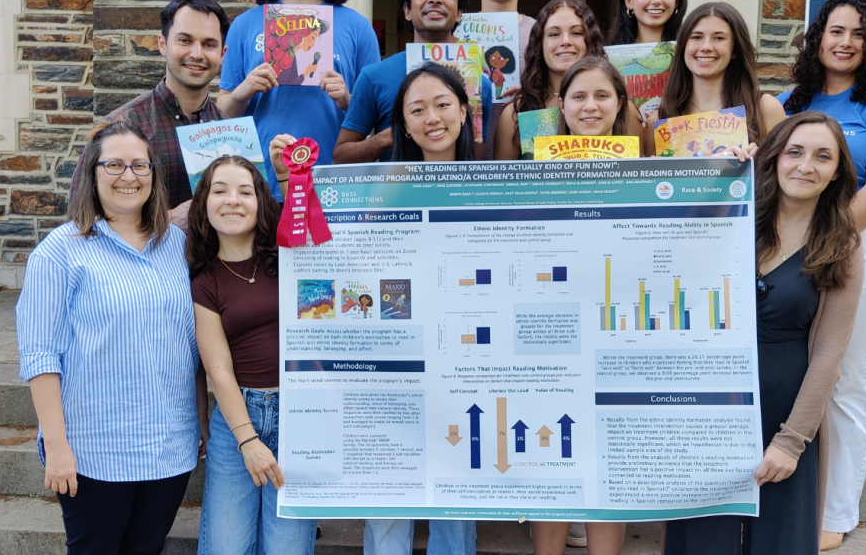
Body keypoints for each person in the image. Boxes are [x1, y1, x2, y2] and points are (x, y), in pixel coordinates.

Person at [271, 63, 479, 555]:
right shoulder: (375, 187)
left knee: (456, 503)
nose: (432, 117)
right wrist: (288, 179)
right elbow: (327, 250)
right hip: (392, 367)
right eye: (417, 109)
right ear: (402, 125)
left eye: (443, 104)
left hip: (465, 369)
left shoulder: (487, 184)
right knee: (387, 499)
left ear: (465, 112)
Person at [664, 111, 864, 555]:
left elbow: (831, 354)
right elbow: (672, 261)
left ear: (836, 173)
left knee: (781, 540)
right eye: (794, 152)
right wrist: (720, 185)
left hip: (787, 410)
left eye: (822, 157)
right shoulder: (734, 217)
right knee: (702, 538)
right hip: (711, 410)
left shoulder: (841, 244)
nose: (805, 166)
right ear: (773, 157)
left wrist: (792, 441)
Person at [18, 120, 207, 554]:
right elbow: (40, 355)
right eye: (115, 165)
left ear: (153, 177)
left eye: (140, 166)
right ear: (92, 173)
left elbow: (187, 346)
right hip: (94, 450)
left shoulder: (176, 247)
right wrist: (57, 445)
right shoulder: (60, 252)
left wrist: (198, 420)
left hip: (168, 446)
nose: (129, 176)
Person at [776, 0, 866, 552]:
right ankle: (794, 500)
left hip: (862, 242)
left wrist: (822, 240)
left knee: (846, 378)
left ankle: (836, 514)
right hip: (793, 246)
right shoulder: (791, 100)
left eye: (858, 33)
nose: (845, 42)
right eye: (835, 31)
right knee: (801, 376)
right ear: (818, 37)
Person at [186, 155, 316, 555]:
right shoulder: (204, 280)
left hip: (302, 414)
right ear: (204, 204)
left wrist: (288, 172)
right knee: (227, 547)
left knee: (287, 550)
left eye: (245, 191)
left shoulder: (288, 255)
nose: (233, 200)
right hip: (237, 418)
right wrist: (247, 441)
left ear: (261, 201)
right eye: (220, 190)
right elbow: (219, 369)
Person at [530, 56, 634, 555]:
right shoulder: (531, 172)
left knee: (608, 464)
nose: (590, 106)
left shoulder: (649, 172)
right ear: (561, 106)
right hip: (550, 333)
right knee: (552, 460)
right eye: (579, 96)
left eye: (601, 96)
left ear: (620, 104)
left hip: (617, 333)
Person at [218, 0, 381, 199]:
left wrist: (348, 101)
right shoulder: (244, 25)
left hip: (337, 189)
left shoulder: (358, 27)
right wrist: (244, 90)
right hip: (260, 188)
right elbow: (222, 115)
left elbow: (380, 124)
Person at [70, 0, 230, 225]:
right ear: (162, 44)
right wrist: (168, 222)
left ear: (222, 54)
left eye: (209, 44)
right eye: (184, 40)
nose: (197, 54)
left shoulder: (230, 132)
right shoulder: (121, 126)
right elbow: (80, 220)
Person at [333, 0, 493, 164]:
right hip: (396, 196)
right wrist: (389, 137)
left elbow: (478, 162)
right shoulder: (374, 76)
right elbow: (340, 157)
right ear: (407, 10)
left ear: (459, 13)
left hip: (456, 196)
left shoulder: (479, 83)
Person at [495, 0, 652, 160]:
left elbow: (637, 177)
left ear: (590, 39)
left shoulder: (624, 110)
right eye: (554, 34)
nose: (565, 42)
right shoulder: (517, 113)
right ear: (539, 43)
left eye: (576, 33)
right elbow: (501, 183)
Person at [648, 2, 786, 151]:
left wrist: (758, 163)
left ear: (735, 50)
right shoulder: (657, 120)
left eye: (719, 38)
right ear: (683, 47)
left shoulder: (766, 109)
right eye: (696, 37)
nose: (706, 46)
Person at [470, 0, 536, 151]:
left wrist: (532, 92)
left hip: (525, 161)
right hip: (467, 162)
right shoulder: (457, 32)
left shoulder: (544, 33)